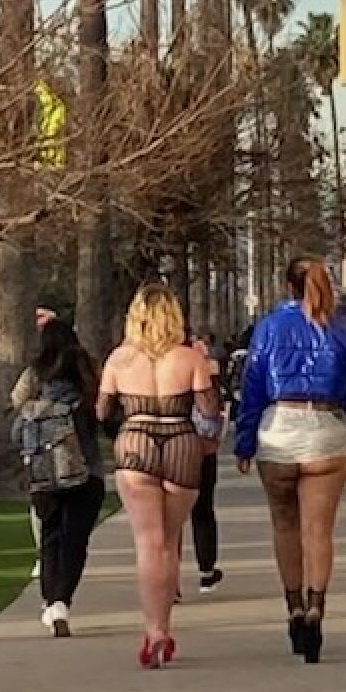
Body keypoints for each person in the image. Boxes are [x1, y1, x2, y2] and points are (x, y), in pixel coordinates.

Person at [234, 259, 346, 665]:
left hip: (279, 424)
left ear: (286, 285)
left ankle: (292, 605)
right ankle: (316, 606)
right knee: (319, 530)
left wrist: (244, 441)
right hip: (325, 424)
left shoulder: (270, 327)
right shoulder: (341, 330)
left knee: (285, 524)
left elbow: (253, 385)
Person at [97, 284, 219, 668]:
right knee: (168, 540)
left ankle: (155, 631)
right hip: (181, 440)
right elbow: (209, 409)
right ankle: (164, 623)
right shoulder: (189, 358)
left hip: (136, 439)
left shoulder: (119, 359)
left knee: (148, 543)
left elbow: (102, 411)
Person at [11, 319, 104, 637]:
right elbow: (106, 415)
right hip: (86, 470)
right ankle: (63, 598)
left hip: (43, 473)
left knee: (50, 538)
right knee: (75, 540)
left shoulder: (35, 374)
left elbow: (15, 411)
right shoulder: (89, 373)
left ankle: (51, 601)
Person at [189, 332, 224, 594]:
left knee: (166, 520)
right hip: (199, 445)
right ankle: (206, 568)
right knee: (202, 508)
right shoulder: (198, 364)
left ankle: (169, 580)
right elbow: (210, 409)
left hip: (158, 443)